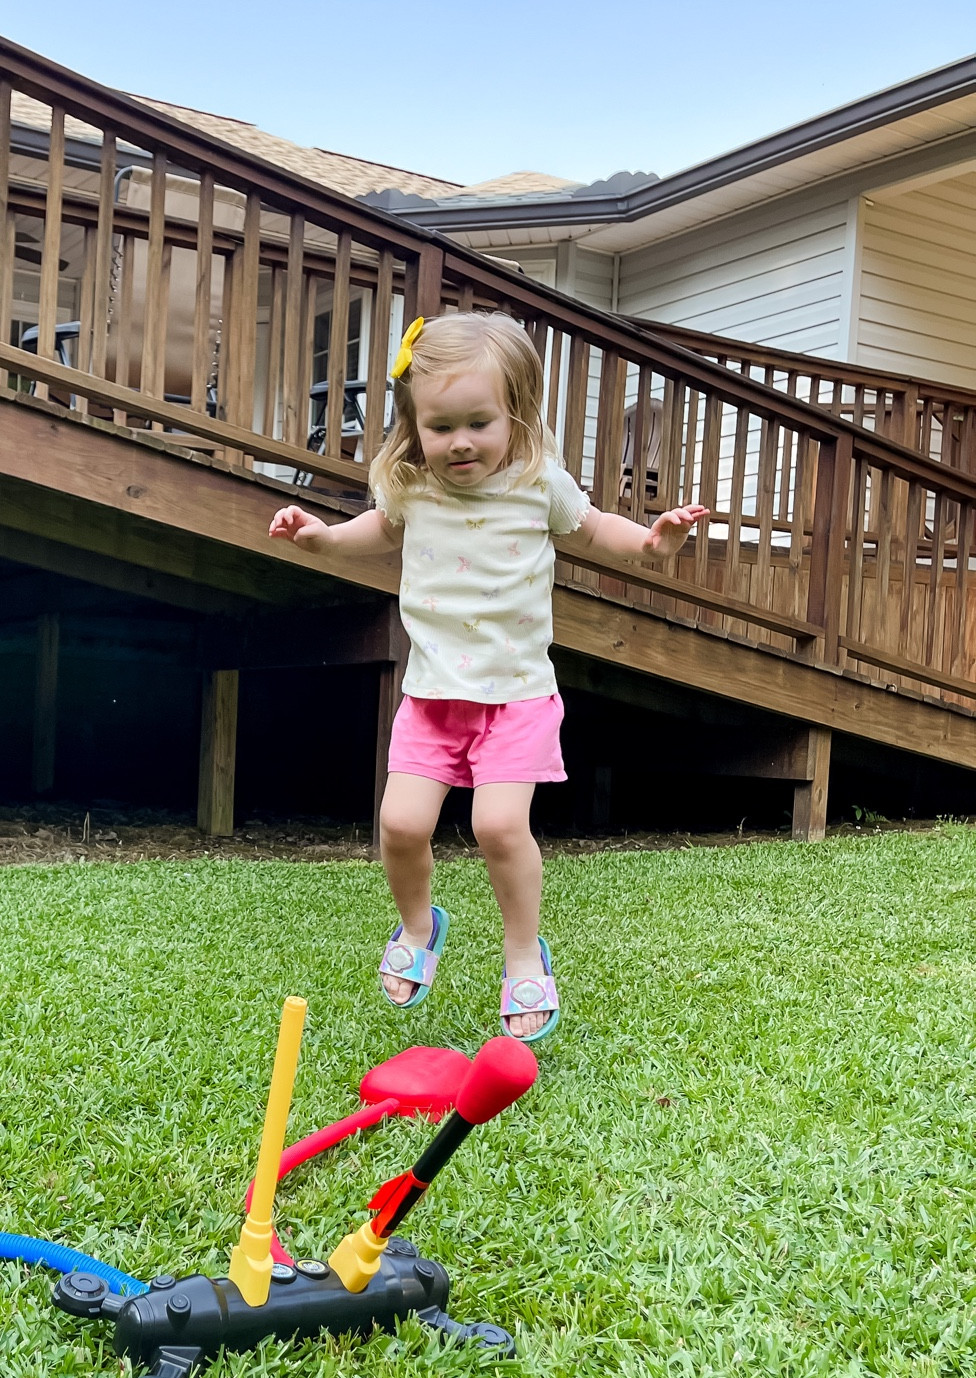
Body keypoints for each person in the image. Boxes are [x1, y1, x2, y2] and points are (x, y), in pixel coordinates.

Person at [269, 311, 706, 1042]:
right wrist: (321, 537)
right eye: (441, 427)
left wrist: (654, 546)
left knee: (498, 825)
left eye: (479, 422)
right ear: (415, 423)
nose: (460, 441)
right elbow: (374, 530)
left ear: (516, 415)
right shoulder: (414, 489)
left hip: (516, 699)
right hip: (433, 698)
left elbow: (596, 527)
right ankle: (418, 927)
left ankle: (523, 954)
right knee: (401, 825)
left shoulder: (539, 485)